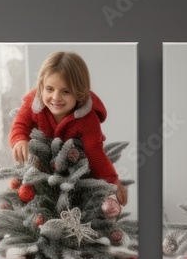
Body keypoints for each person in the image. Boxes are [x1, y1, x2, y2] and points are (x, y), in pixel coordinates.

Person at [10, 51, 128, 205]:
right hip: (40, 167)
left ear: (79, 93)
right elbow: (20, 125)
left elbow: (95, 152)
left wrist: (112, 182)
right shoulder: (34, 103)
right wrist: (19, 140)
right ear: (41, 87)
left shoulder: (87, 118)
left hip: (73, 170)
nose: (56, 97)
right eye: (50, 89)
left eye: (66, 91)